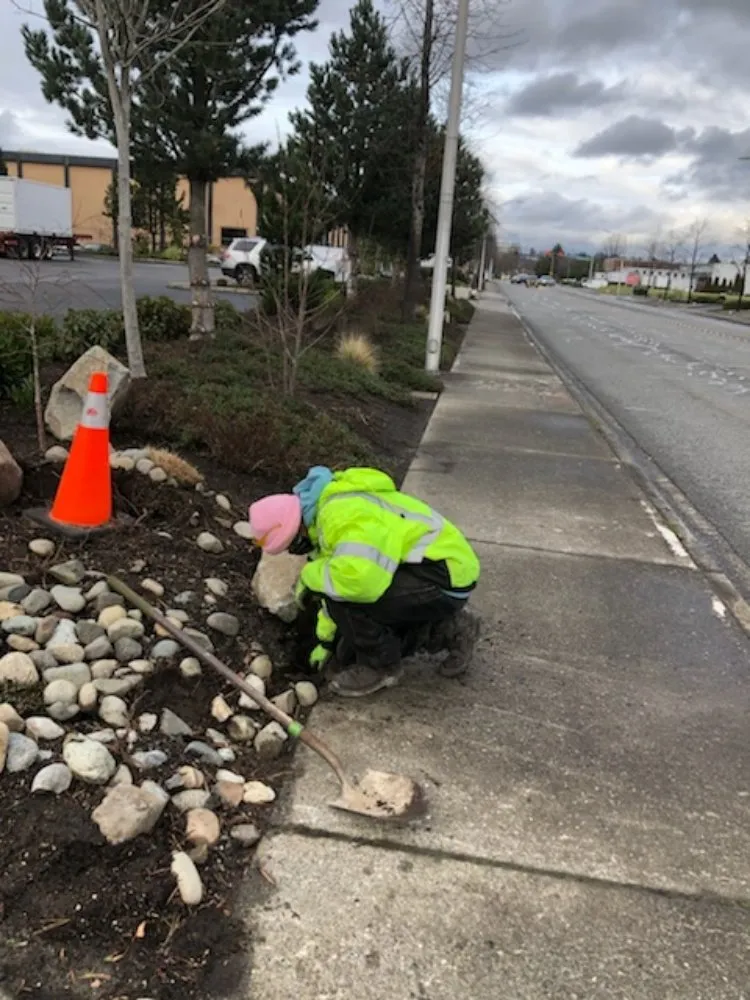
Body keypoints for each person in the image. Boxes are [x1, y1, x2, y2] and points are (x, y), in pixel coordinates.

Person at [248, 466, 481, 698]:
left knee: (350, 598)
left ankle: (381, 667)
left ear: (295, 529)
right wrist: (324, 646)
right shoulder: (327, 511)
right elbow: (333, 595)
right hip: (434, 571)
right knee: (349, 640)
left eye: (290, 543)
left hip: (440, 575)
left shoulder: (339, 516)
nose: (294, 550)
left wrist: (310, 576)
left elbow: (359, 584)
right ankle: (451, 629)